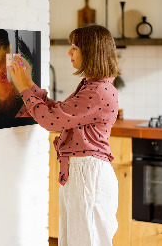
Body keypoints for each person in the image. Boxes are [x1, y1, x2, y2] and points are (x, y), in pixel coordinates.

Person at [8, 24, 120, 246]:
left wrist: (23, 88)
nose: (69, 52)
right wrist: (29, 83)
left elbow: (51, 121)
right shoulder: (93, 86)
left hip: (88, 175)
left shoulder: (97, 91)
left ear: (91, 51)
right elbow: (59, 113)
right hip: (83, 173)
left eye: (75, 47)